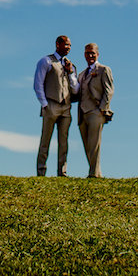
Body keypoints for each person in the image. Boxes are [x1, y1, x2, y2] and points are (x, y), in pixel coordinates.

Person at [33, 35, 78, 176]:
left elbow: (76, 89)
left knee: (63, 141)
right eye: (66, 45)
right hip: (51, 104)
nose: (68, 48)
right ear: (58, 44)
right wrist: (45, 104)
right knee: (45, 140)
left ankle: (62, 172)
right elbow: (38, 84)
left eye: (70, 45)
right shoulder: (46, 61)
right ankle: (41, 171)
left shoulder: (71, 65)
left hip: (66, 107)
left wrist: (70, 72)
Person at [76, 42, 114, 178]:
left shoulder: (104, 70)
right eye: (87, 53)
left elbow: (109, 91)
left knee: (94, 144)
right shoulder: (81, 74)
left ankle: (93, 174)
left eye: (92, 53)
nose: (90, 55)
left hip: (96, 111)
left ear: (97, 54)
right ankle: (97, 173)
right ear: (84, 55)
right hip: (82, 113)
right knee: (87, 145)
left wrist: (102, 109)